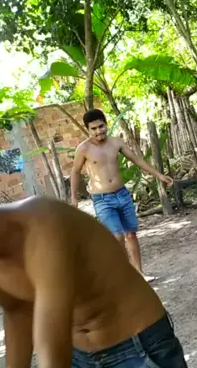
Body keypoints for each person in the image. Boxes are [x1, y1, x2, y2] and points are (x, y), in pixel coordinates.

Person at [0, 175, 188, 368]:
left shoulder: (42, 226)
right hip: (80, 356)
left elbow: (51, 343)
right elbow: (17, 311)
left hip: (138, 349)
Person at [71, 109, 173, 279]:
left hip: (123, 195)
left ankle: (139, 273)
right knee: (116, 236)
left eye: (101, 126)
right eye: (93, 128)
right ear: (87, 130)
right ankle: (125, 275)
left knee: (131, 234)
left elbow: (136, 159)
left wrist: (159, 175)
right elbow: (75, 172)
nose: (98, 131)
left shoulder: (116, 143)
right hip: (102, 199)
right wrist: (74, 198)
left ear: (106, 124)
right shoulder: (83, 149)